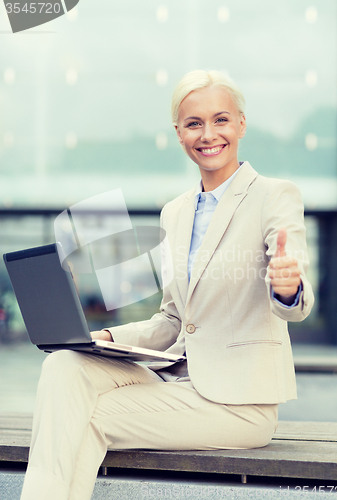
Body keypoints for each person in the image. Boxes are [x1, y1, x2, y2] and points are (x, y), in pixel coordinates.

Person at [20, 70, 314, 500]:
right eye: (194, 123)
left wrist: (287, 286)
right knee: (63, 365)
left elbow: (294, 298)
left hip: (239, 405)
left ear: (241, 124)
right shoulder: (174, 214)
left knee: (84, 416)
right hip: (176, 384)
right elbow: (173, 319)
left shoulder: (274, 195)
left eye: (221, 120)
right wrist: (99, 338)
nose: (208, 134)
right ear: (178, 133)